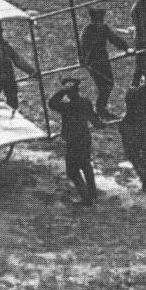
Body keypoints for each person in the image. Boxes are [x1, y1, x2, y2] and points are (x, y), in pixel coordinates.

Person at [48, 77, 98, 205]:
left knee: (72, 171)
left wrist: (62, 92)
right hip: (85, 138)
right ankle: (93, 192)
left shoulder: (65, 106)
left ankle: (86, 200)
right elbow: (95, 121)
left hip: (73, 141)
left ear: (68, 92)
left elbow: (51, 103)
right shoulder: (86, 102)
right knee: (86, 165)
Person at [79, 7, 130, 120]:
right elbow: (83, 48)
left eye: (101, 21)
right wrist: (84, 60)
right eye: (97, 21)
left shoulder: (103, 28)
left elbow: (114, 38)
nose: (100, 23)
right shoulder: (87, 31)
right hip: (92, 62)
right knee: (105, 85)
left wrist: (126, 48)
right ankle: (100, 110)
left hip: (103, 60)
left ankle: (101, 109)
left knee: (109, 84)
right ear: (93, 21)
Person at [0, 25, 35, 109]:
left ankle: (12, 117)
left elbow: (17, 60)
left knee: (12, 102)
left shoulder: (5, 46)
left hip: (8, 77)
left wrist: (31, 71)